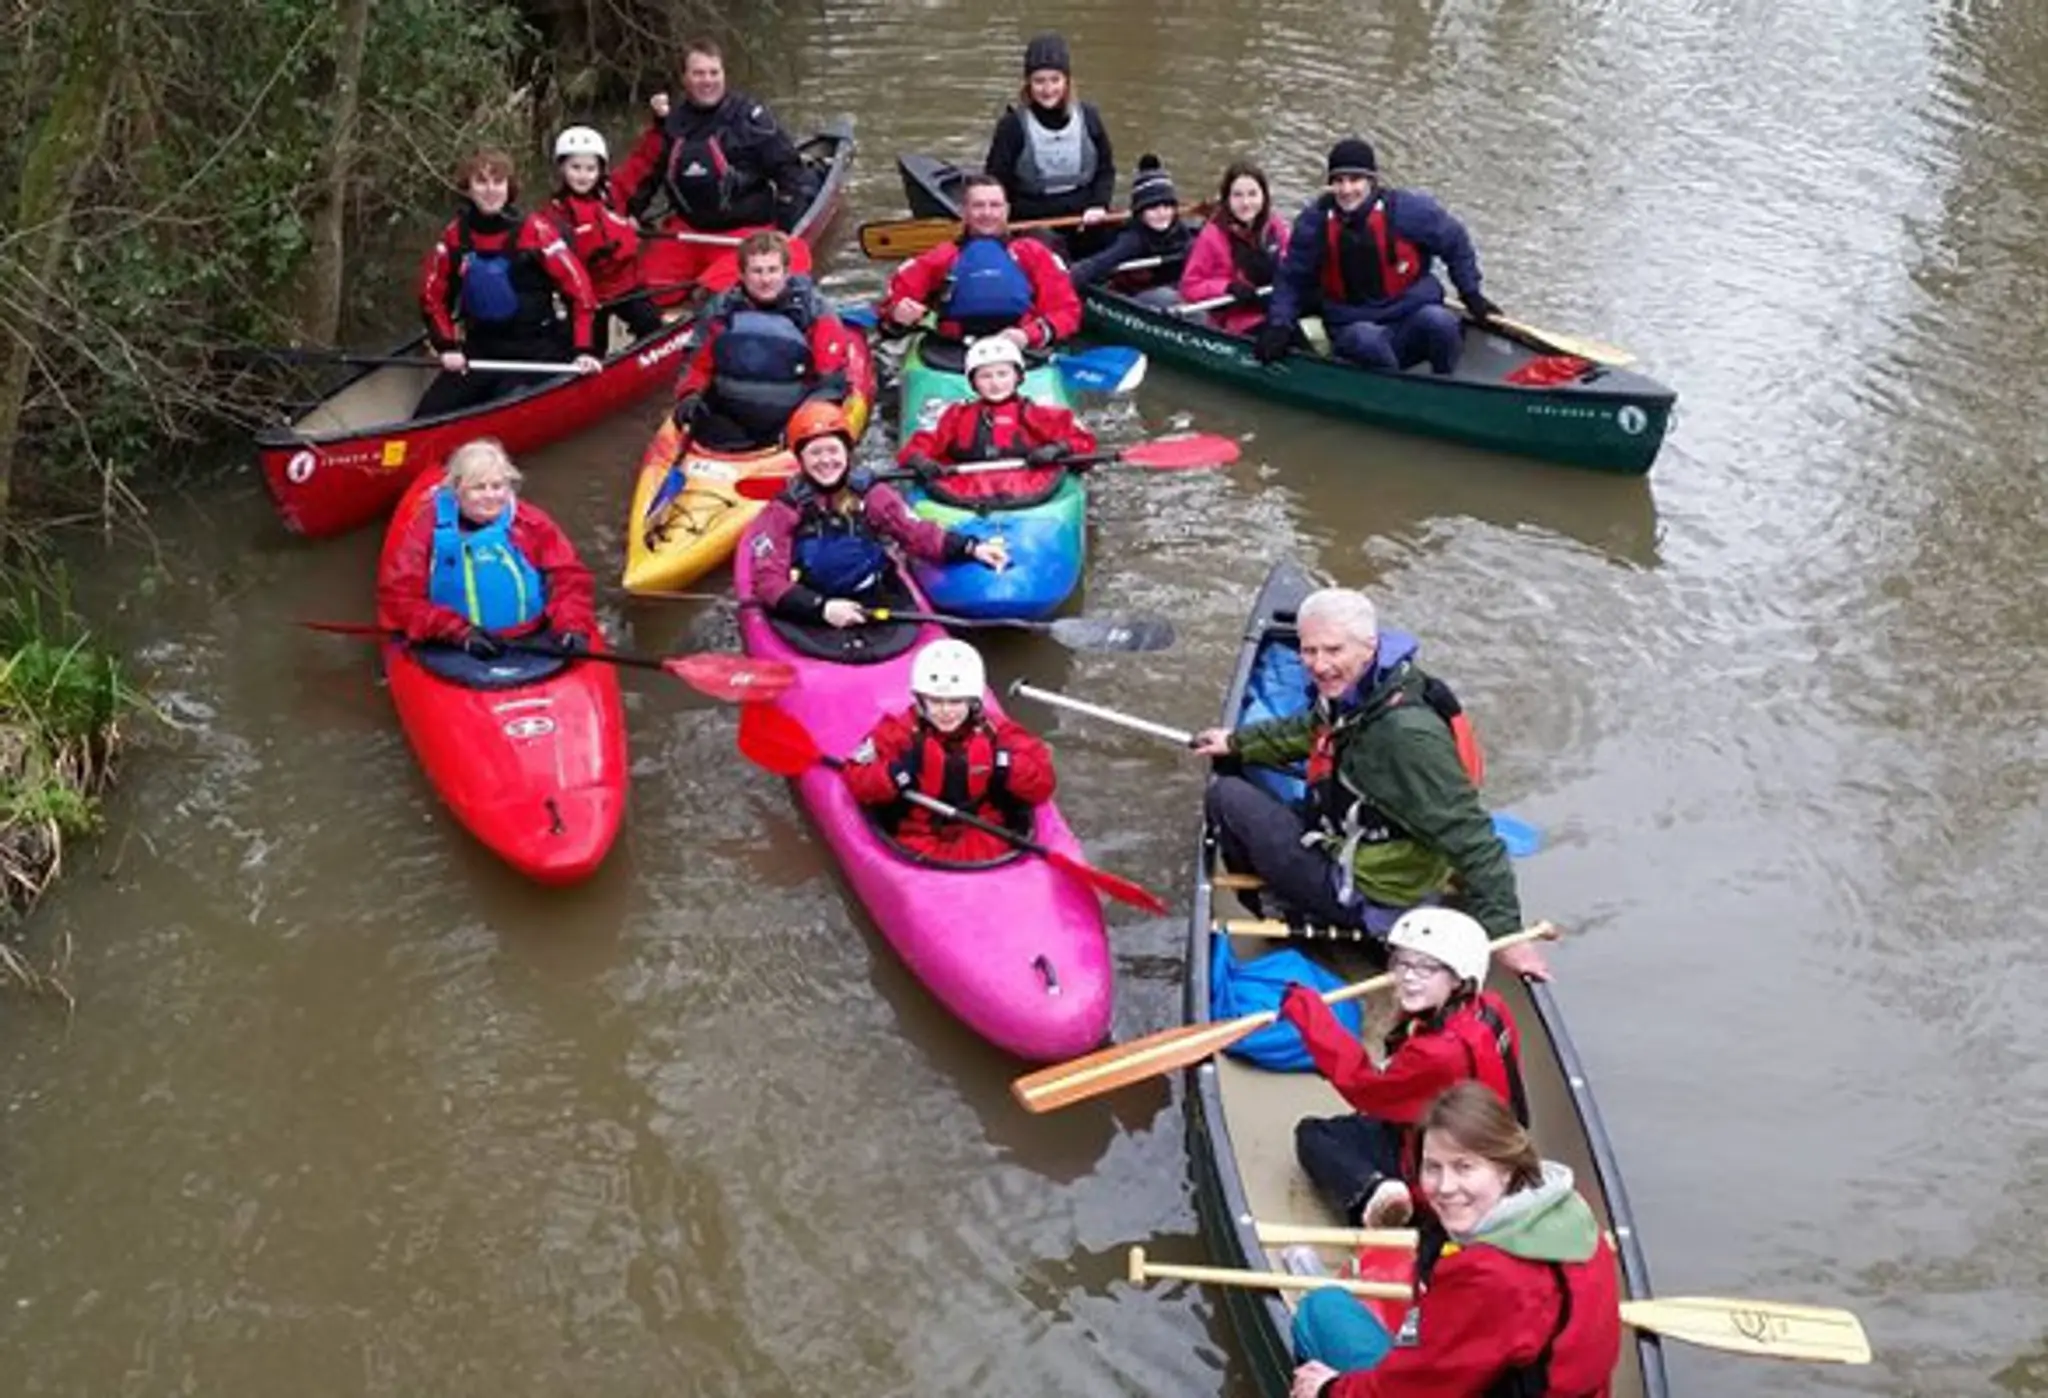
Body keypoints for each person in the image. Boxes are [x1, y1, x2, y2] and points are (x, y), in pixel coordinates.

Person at [1189, 586, 1549, 979]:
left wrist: (1508, 935)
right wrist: (1238, 742)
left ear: (1369, 645)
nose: (1319, 664)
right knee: (1279, 787)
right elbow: (1313, 728)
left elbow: (1474, 838)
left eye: (1333, 650)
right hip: (1373, 853)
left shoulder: (1406, 738)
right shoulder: (1372, 687)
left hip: (1374, 889)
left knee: (1226, 796)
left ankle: (1274, 907)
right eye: (1309, 651)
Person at [1287, 1083, 1622, 1398]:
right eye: (1433, 1167)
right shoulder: (1572, 1215)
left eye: (1464, 1167)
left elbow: (1408, 1391)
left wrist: (1330, 1388)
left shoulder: (1490, 1276)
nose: (1445, 1187)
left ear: (1506, 1168)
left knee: (1321, 1309)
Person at [1279, 908, 1526, 1230]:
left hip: (1440, 1163)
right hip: (1489, 1143)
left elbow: (1364, 1089)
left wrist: (1308, 1013)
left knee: (1314, 1135)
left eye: (1426, 969)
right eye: (1403, 963)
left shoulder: (1436, 1053)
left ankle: (1376, 1193)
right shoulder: (1492, 1007)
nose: (1409, 977)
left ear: (1457, 978)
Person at [747, 402, 1009, 627]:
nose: (826, 461)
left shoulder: (872, 494)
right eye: (815, 453)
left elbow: (915, 533)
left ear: (848, 453)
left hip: (871, 595)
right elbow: (768, 580)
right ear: (800, 460)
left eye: (833, 451)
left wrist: (971, 547)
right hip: (810, 604)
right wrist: (821, 608)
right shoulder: (784, 510)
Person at [1256, 138, 1500, 374]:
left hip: (1409, 314)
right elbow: (1292, 279)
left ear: (1371, 181)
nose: (1346, 189)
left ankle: (1445, 381)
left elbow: (1455, 241)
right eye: (1338, 181)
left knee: (1442, 323)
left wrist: (1470, 293)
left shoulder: (1409, 210)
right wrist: (1279, 325)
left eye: (1355, 180)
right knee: (1366, 339)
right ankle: (1398, 393)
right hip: (1352, 326)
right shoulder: (1315, 222)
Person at [610, 37, 819, 298]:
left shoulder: (751, 119)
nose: (707, 81)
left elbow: (790, 173)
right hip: (688, 231)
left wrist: (785, 231)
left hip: (745, 233)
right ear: (684, 78)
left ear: (723, 74)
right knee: (641, 294)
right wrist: (629, 214)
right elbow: (646, 175)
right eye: (698, 73)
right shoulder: (671, 124)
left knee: (718, 297)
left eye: (713, 72)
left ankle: (710, 303)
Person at [416, 148, 600, 418]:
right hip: (480, 350)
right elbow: (432, 296)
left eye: (498, 182)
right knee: (427, 415)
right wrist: (447, 346)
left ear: (509, 188)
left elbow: (580, 292)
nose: (490, 190)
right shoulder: (455, 235)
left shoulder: (536, 230)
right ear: (468, 189)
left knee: (500, 404)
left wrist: (584, 349)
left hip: (534, 351)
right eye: (481, 182)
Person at [840, 639, 1058, 863]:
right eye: (935, 701)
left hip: (983, 828)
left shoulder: (998, 733)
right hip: (916, 834)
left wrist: (1011, 767)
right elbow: (855, 778)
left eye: (955, 702)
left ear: (973, 701)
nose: (945, 711)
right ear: (920, 699)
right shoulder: (897, 733)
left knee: (992, 845)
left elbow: (1044, 783)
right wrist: (893, 775)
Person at [377, 439, 599, 657]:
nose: (491, 496)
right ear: (457, 489)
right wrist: (460, 632)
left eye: (497, 486)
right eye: (478, 488)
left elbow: (569, 577)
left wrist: (572, 625)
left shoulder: (531, 524)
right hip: (455, 641)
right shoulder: (426, 530)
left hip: (530, 636)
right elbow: (400, 599)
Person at [670, 229, 863, 450]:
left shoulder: (814, 311)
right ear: (742, 274)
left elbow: (830, 381)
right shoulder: (720, 311)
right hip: (732, 417)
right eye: (757, 271)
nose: (766, 279)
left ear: (786, 272)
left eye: (773, 270)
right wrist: (689, 395)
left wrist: (805, 420)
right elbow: (697, 365)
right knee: (704, 424)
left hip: (792, 417)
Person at [879, 174, 1082, 349]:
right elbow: (890, 307)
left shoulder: (1033, 254)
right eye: (978, 206)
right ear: (964, 212)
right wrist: (897, 313)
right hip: (952, 350)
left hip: (1021, 350)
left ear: (1007, 210)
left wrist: (1028, 335)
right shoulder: (942, 256)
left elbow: (1066, 311)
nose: (987, 213)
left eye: (995, 205)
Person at [898, 337, 1095, 505]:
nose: (995, 383)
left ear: (1017, 377)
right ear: (973, 383)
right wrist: (920, 461)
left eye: (1003, 374)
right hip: (966, 490)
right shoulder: (958, 415)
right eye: (985, 376)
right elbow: (920, 445)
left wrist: (1058, 449)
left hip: (1028, 489)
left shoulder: (1036, 414)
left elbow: (1083, 442)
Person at [982, 33, 1116, 238]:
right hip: (1030, 223)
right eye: (1039, 81)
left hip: (1084, 218)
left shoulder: (1089, 117)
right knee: (1045, 243)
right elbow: (996, 180)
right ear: (1028, 83)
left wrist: (1099, 204)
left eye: (1055, 80)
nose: (1048, 89)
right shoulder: (1012, 126)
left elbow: (1105, 170)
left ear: (1067, 81)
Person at [547, 125, 663, 349]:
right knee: (590, 348)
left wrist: (659, 124)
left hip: (625, 284)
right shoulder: (554, 214)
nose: (583, 175)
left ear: (600, 169)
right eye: (575, 167)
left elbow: (641, 162)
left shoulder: (613, 193)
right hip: (587, 296)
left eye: (590, 168)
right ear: (562, 168)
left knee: (651, 324)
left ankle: (645, 362)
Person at [1180, 159, 1291, 336]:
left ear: (1264, 196)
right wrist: (1227, 288)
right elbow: (1190, 287)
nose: (1246, 203)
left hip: (1274, 306)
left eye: (1252, 194)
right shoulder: (1212, 236)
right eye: (1237, 195)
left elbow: (1291, 263)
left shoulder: (1275, 227)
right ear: (1227, 199)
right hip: (1235, 318)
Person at [1068, 155, 1194, 305]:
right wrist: (1067, 279)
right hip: (1139, 296)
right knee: (1167, 297)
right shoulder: (1132, 240)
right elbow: (1096, 265)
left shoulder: (1181, 232)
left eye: (1167, 207)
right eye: (1153, 208)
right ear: (1140, 212)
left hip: (1172, 287)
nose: (1161, 213)